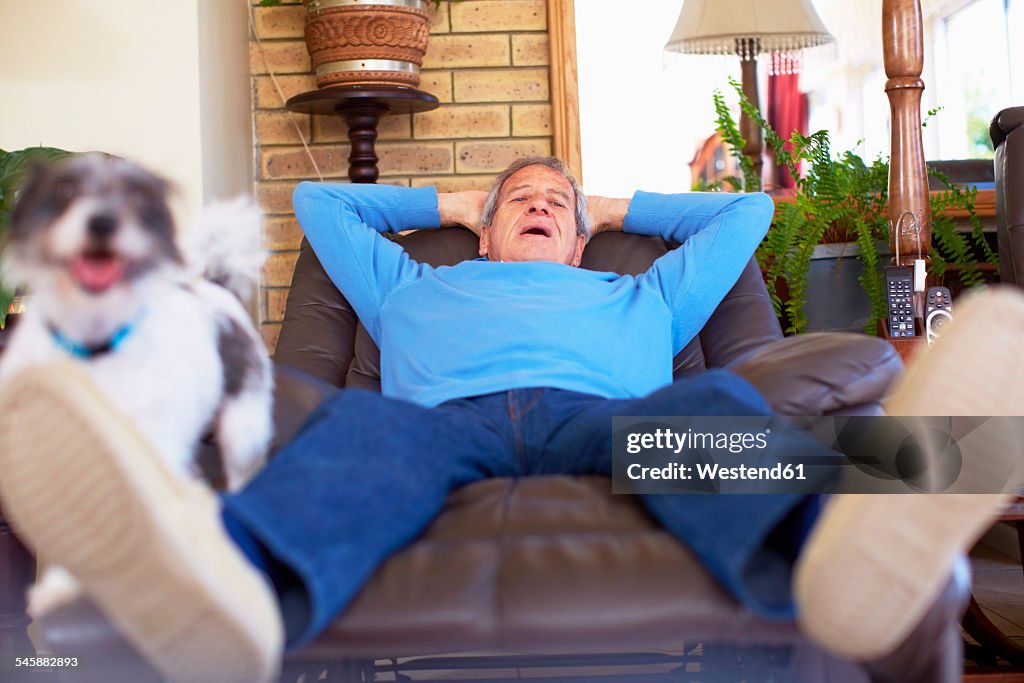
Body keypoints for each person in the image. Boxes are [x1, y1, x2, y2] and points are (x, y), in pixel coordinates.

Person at [0, 156, 1022, 683]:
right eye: (519, 198)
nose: (542, 202)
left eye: (558, 203)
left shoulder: (648, 294)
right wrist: (453, 198)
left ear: (584, 240)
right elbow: (319, 199)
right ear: (477, 226)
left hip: (608, 422)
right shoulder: (406, 278)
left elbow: (742, 214)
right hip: (441, 425)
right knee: (362, 431)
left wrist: (611, 206)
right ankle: (223, 581)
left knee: (701, 412)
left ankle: (870, 531)